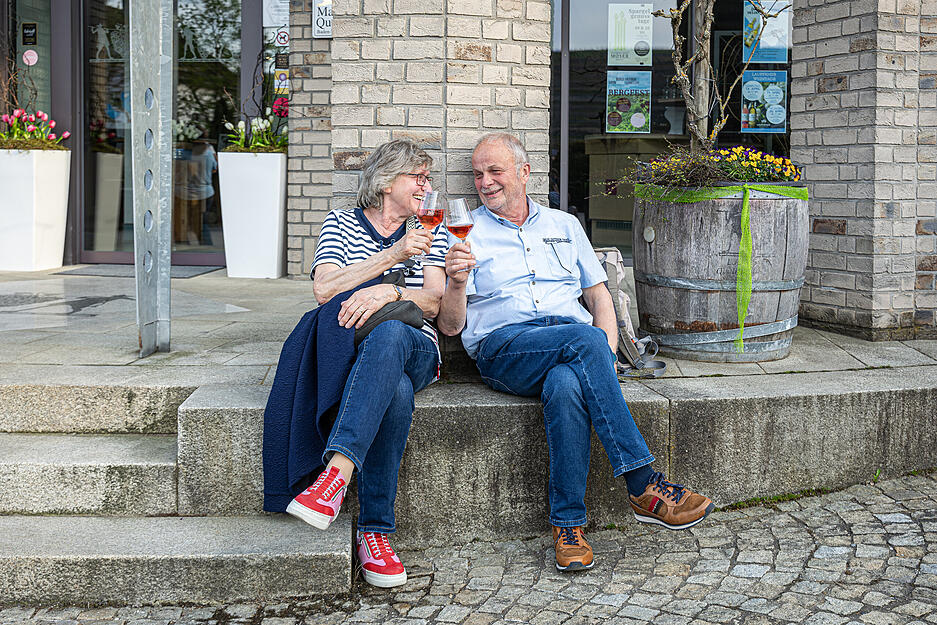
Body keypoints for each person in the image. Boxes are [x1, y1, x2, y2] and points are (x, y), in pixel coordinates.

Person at [436, 133, 714, 572]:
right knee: (584, 342)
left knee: (566, 385)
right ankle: (643, 483)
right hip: (505, 348)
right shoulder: (462, 233)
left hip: (569, 345)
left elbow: (599, 296)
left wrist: (603, 354)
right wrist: (454, 281)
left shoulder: (564, 226)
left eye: (495, 171)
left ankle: (568, 528)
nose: (484, 182)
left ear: (524, 173)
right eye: (477, 174)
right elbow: (450, 326)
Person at [288, 139, 447, 588]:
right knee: (392, 391)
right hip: (359, 359)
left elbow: (434, 302)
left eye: (427, 178)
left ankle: (334, 478)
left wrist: (390, 291)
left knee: (394, 332)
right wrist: (394, 257)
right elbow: (325, 288)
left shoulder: (428, 229)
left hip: (417, 347)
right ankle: (375, 535)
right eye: (417, 177)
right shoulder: (340, 225)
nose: (426, 185)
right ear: (384, 182)